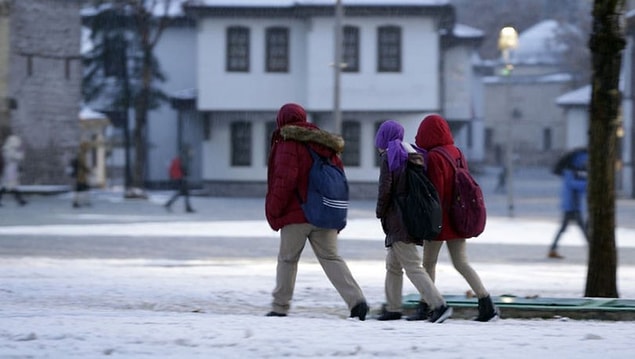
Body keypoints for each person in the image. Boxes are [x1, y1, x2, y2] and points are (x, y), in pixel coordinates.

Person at [264, 103, 368, 320]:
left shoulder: (288, 143)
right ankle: (356, 300)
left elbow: (284, 181)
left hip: (297, 213)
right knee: (331, 258)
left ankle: (280, 306)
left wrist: (273, 211)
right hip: (325, 212)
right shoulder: (325, 144)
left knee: (287, 259)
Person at [415, 114, 499, 322]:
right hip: (459, 218)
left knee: (428, 264)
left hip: (440, 221)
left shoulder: (434, 157)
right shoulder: (457, 152)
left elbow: (436, 192)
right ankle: (486, 303)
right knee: (461, 263)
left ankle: (427, 306)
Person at [374, 120, 452, 323]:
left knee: (412, 266)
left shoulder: (390, 157)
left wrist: (380, 211)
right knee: (393, 265)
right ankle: (393, 308)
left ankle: (439, 305)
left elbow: (386, 189)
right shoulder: (410, 154)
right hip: (409, 217)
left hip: (398, 219)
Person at [548, 149, 589, 259]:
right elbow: (574, 185)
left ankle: (553, 249)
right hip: (571, 206)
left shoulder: (574, 172)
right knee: (583, 229)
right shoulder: (569, 173)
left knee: (565, 228)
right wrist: (588, 183)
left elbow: (578, 187)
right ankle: (593, 250)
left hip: (573, 206)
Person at [164, 147, 195, 213]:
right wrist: (186, 174)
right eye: (190, 151)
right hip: (181, 178)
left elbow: (171, 169)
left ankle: (169, 204)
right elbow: (183, 168)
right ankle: (187, 208)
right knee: (183, 192)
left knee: (183, 192)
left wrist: (172, 177)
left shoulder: (177, 159)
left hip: (176, 178)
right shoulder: (183, 159)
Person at [0, 134, 27, 206]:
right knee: (10, 185)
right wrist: (21, 151)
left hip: (11, 169)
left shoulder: (8, 149)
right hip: (10, 169)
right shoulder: (9, 149)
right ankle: (20, 201)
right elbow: (17, 157)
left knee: (8, 185)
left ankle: (20, 200)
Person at [71, 142, 92, 208]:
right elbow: (82, 164)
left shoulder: (82, 154)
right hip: (81, 175)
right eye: (86, 146)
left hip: (81, 175)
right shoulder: (81, 154)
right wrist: (87, 170)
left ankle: (80, 202)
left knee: (84, 189)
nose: (88, 148)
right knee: (80, 189)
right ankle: (77, 202)